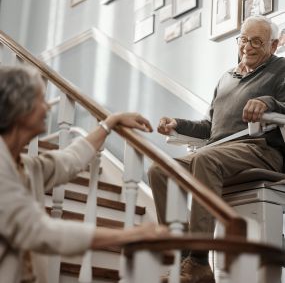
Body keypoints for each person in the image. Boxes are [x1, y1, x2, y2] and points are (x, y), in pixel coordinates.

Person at [148, 15, 285, 283]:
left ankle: (198, 260)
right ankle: (187, 258)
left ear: (273, 45)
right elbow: (210, 126)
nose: (248, 46)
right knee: (159, 170)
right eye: (244, 39)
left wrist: (268, 102)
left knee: (205, 160)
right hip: (218, 149)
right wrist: (179, 123)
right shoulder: (227, 77)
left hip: (260, 148)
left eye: (257, 41)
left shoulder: (281, 69)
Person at [0, 65, 168, 283]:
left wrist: (111, 122)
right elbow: (40, 231)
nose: (47, 108)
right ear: (20, 108)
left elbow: (69, 160)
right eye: (41, 100)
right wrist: (131, 235)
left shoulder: (25, 167)